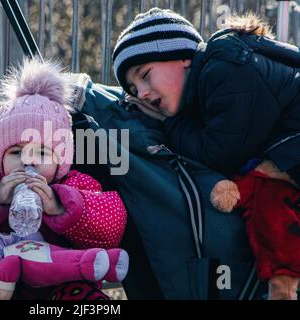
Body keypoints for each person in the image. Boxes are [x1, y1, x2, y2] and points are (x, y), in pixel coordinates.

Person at [112, 7, 300, 299]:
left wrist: (170, 124)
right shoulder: (211, 80)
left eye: (145, 75)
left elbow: (220, 154)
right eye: (134, 89)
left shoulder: (223, 70)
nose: (142, 93)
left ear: (184, 56)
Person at [0, 58, 127, 300]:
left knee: (83, 295)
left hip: (60, 276)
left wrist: (59, 205)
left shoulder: (73, 184)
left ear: (60, 160)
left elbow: (112, 225)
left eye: (42, 152)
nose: (28, 160)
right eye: (16, 152)